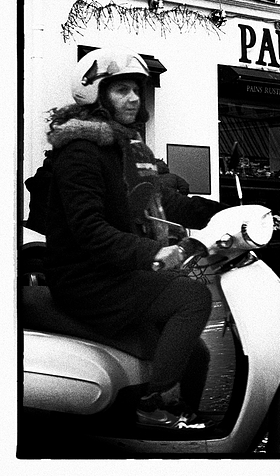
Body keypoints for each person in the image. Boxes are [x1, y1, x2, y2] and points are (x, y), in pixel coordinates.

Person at [42, 47, 223, 429]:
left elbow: (162, 200)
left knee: (197, 355)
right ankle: (152, 405)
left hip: (117, 274)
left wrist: (222, 212)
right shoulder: (81, 152)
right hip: (86, 279)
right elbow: (89, 231)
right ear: (94, 92)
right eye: (122, 90)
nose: (134, 98)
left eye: (138, 90)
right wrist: (155, 252)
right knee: (192, 297)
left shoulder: (128, 148)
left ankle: (184, 422)